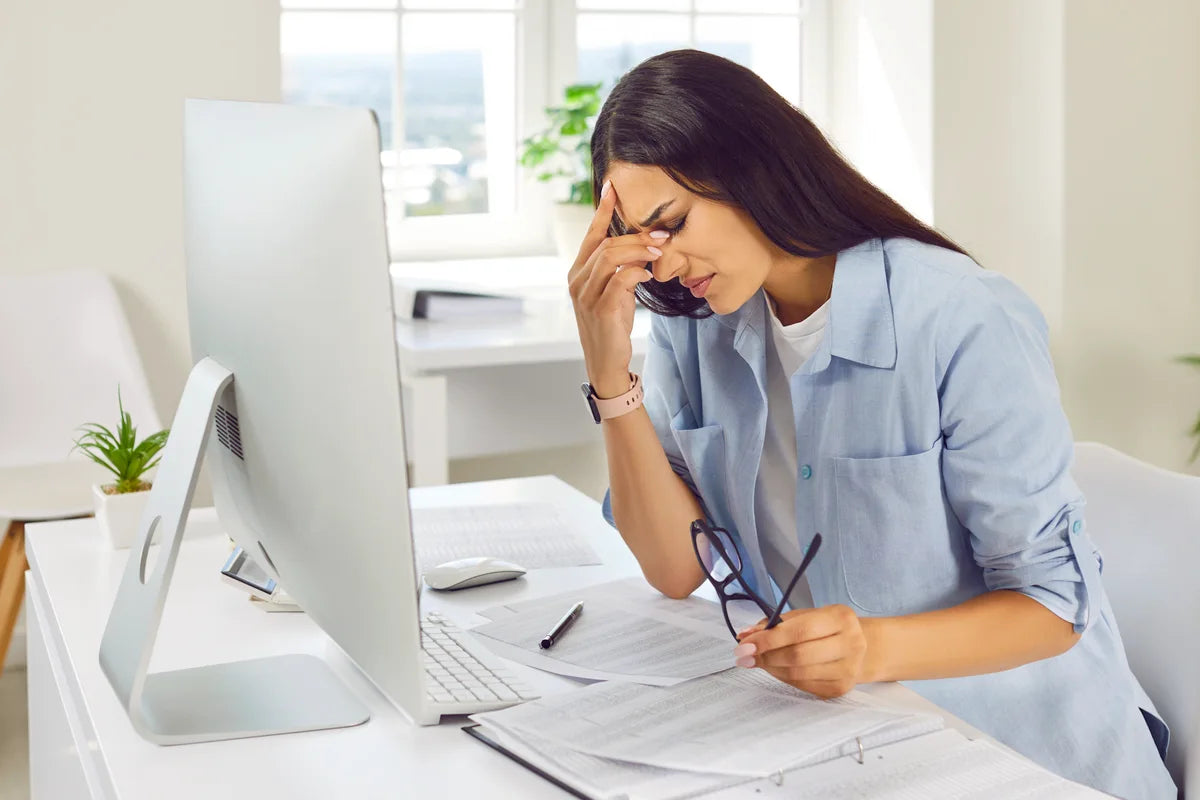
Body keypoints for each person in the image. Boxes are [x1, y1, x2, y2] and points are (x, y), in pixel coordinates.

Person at [567, 49, 1175, 799]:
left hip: (1030, 757)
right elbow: (674, 569)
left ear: (751, 167)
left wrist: (872, 647)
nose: (662, 267)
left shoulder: (960, 316)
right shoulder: (696, 326)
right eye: (643, 242)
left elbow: (1052, 604)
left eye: (674, 224)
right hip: (862, 745)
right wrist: (608, 372)